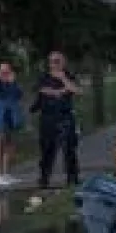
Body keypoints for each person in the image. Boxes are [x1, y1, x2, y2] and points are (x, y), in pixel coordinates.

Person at [32, 51, 81, 188]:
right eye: (52, 61)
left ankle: (72, 178)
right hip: (48, 117)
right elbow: (43, 90)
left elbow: (77, 90)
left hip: (66, 116)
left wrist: (64, 79)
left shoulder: (69, 76)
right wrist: (61, 91)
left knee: (70, 148)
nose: (55, 64)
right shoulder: (44, 77)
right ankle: (44, 178)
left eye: (58, 61)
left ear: (64, 62)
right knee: (47, 149)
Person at [0, 62, 25, 186]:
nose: (5, 74)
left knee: (9, 146)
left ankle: (6, 173)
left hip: (11, 118)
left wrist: (12, 82)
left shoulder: (12, 84)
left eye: (7, 71)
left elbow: (18, 95)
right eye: (3, 72)